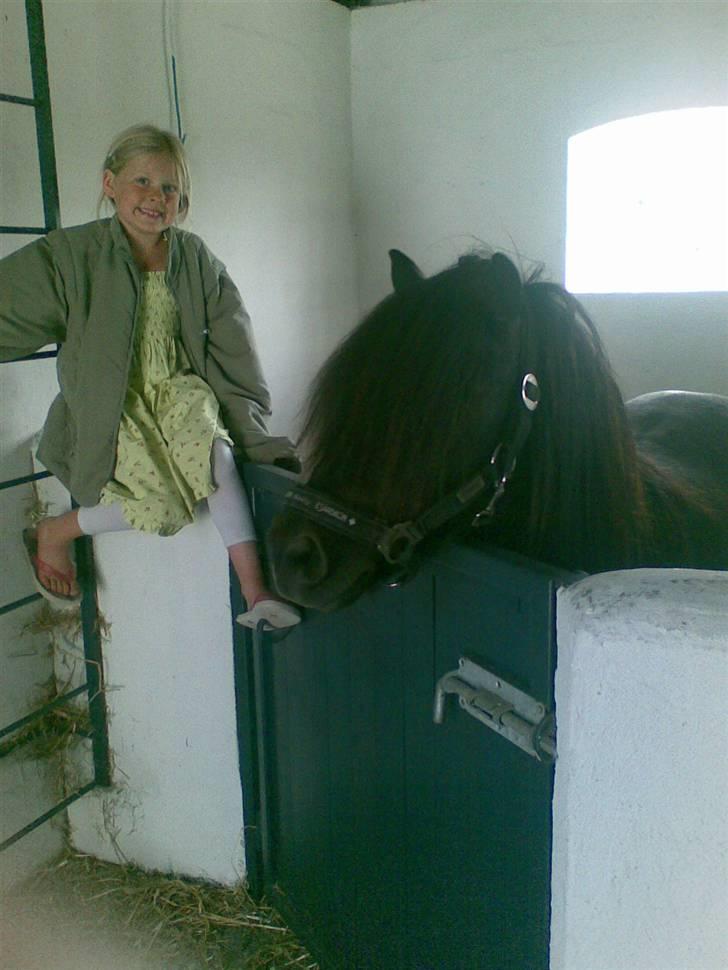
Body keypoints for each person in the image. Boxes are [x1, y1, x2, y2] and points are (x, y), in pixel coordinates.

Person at [0, 124, 300, 630]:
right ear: (109, 184)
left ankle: (256, 594)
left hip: (181, 391)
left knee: (218, 457)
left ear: (181, 202)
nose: (153, 198)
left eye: (169, 189)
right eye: (140, 181)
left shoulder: (196, 258)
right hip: (115, 403)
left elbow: (235, 345)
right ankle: (55, 530)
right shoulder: (73, 256)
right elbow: (14, 301)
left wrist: (249, 423)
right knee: (162, 509)